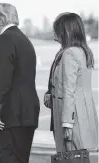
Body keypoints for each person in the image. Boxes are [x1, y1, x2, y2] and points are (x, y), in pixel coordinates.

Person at [0, 3, 40, 163]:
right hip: (27, 113)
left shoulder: (5, 40)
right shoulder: (23, 39)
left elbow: (1, 80)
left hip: (11, 115)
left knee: (10, 158)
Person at [45, 13, 98, 152]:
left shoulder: (69, 54)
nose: (54, 33)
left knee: (70, 157)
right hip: (81, 116)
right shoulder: (82, 51)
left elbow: (69, 90)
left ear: (66, 31)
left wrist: (67, 124)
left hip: (72, 119)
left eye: (57, 29)